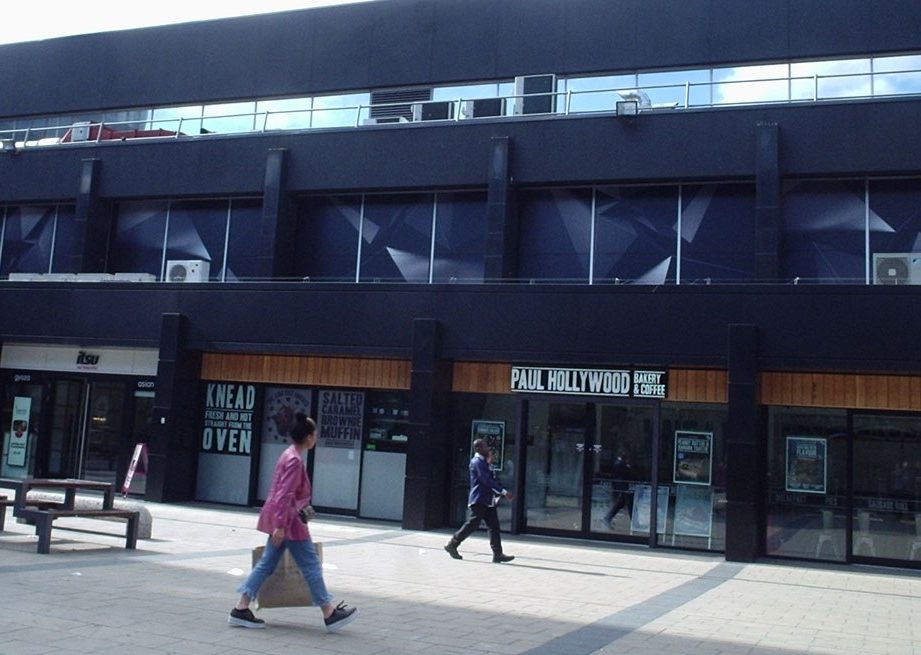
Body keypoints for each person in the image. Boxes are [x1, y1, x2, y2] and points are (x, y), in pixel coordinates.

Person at [228, 413, 358, 632]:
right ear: (308, 437)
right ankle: (329, 613)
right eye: (314, 433)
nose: (316, 437)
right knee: (310, 564)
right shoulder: (295, 461)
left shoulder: (288, 455)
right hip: (290, 523)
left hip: (284, 520)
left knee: (268, 563)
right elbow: (285, 494)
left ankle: (241, 609)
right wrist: (280, 525)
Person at [444, 438, 515, 563]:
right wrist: (504, 492)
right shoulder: (476, 462)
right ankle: (452, 544)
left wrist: (490, 464)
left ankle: (497, 553)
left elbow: (491, 477)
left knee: (494, 527)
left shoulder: (484, 462)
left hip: (488, 500)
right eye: (485, 447)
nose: (488, 449)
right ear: (478, 448)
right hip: (479, 499)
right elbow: (486, 480)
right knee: (472, 524)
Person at [603, 449, 634, 529]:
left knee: (621, 503)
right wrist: (628, 467)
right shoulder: (620, 464)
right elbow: (626, 473)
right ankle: (634, 522)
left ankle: (607, 518)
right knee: (629, 502)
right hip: (622, 486)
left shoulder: (620, 463)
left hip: (621, 486)